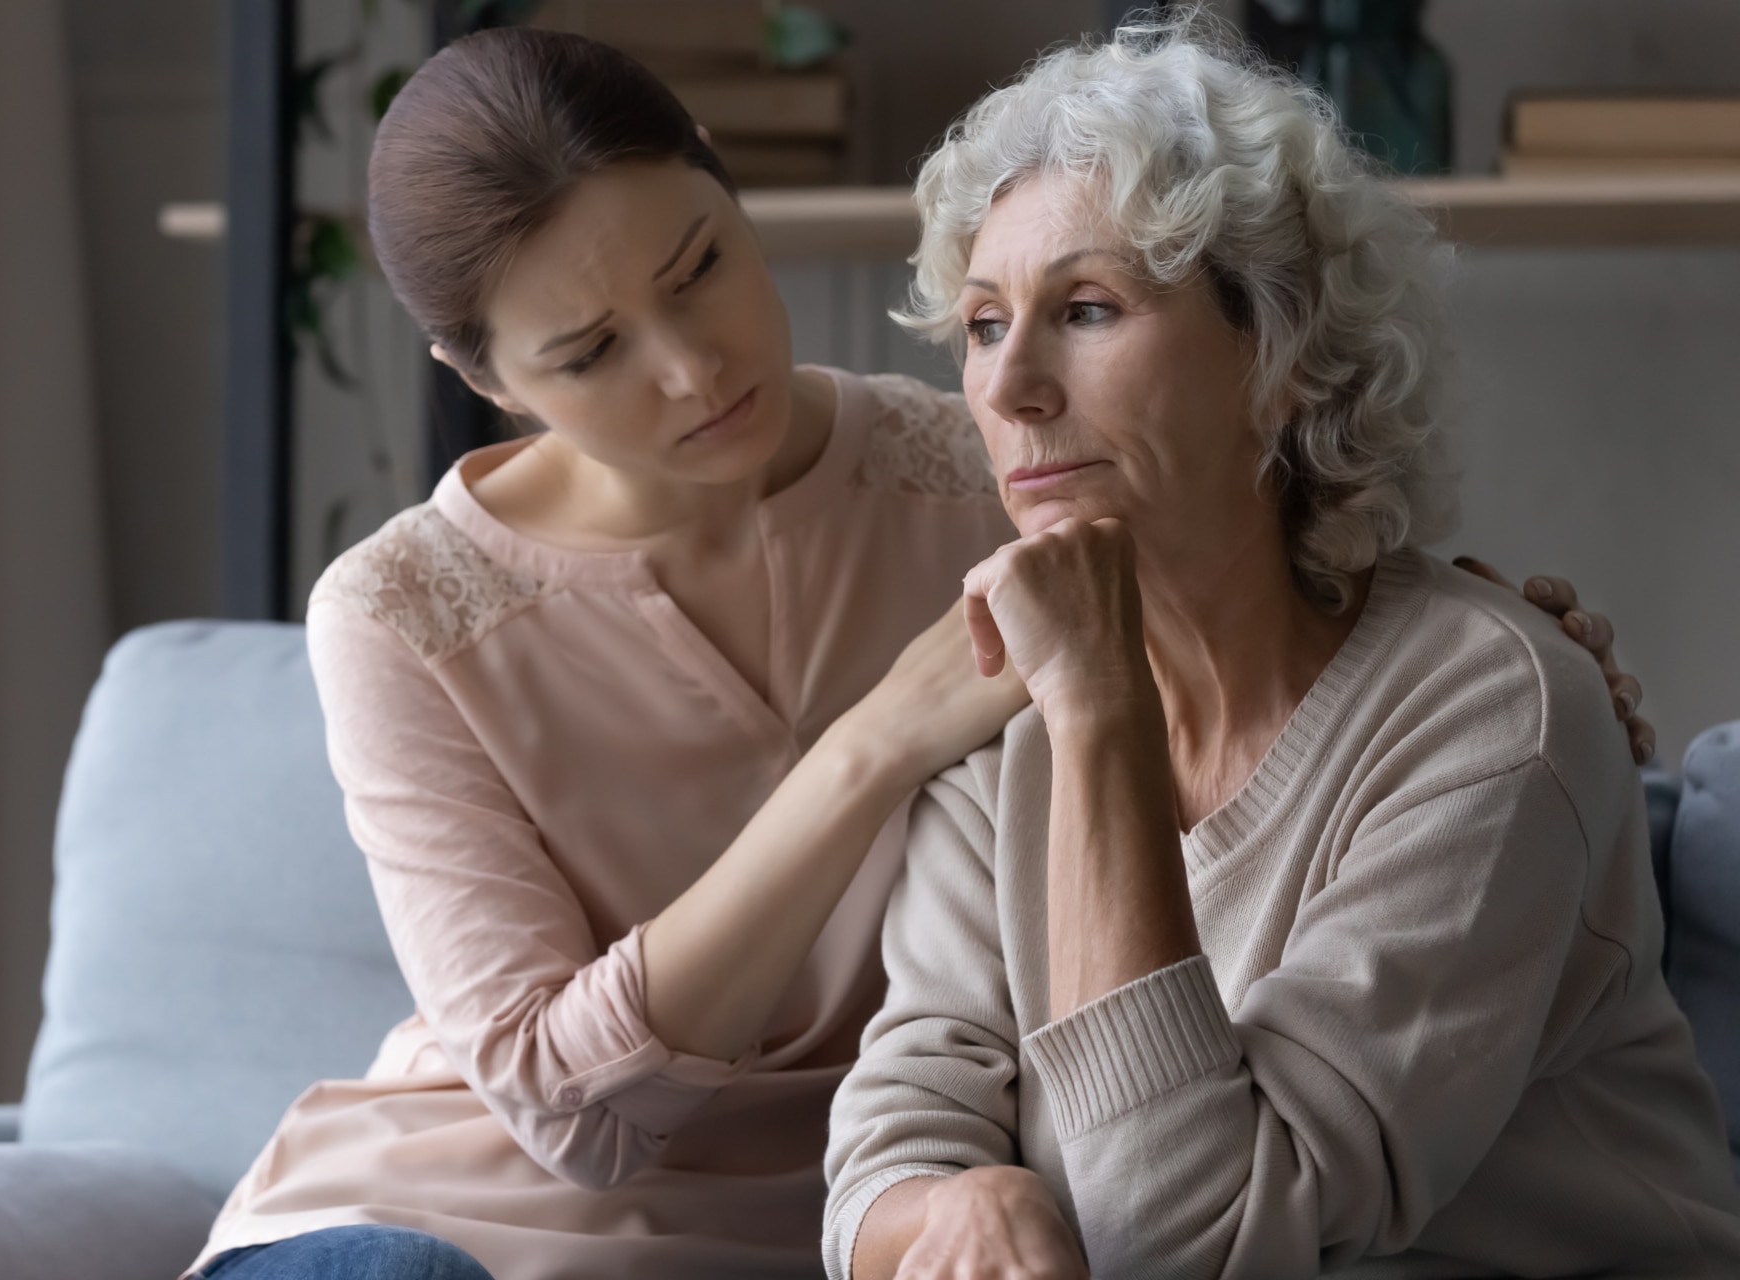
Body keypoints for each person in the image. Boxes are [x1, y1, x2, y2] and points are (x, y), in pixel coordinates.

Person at [188, 26, 1655, 1280]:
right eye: (588, 354)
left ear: (718, 170)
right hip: (485, 1213)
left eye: (698, 267)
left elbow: (1261, 498)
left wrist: (1486, 632)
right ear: (481, 379)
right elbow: (570, 1115)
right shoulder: (397, 613)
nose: (693, 369)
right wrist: (878, 741)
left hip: (879, 1233)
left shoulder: (981, 460)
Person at [825, 18, 1740, 1280]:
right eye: (984, 324)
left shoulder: (1488, 713)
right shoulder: (1001, 735)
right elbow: (888, 1143)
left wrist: (1103, 708)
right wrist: (952, 1211)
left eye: (1086, 308)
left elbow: (1186, 1239)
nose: (1011, 385)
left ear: (1283, 360)